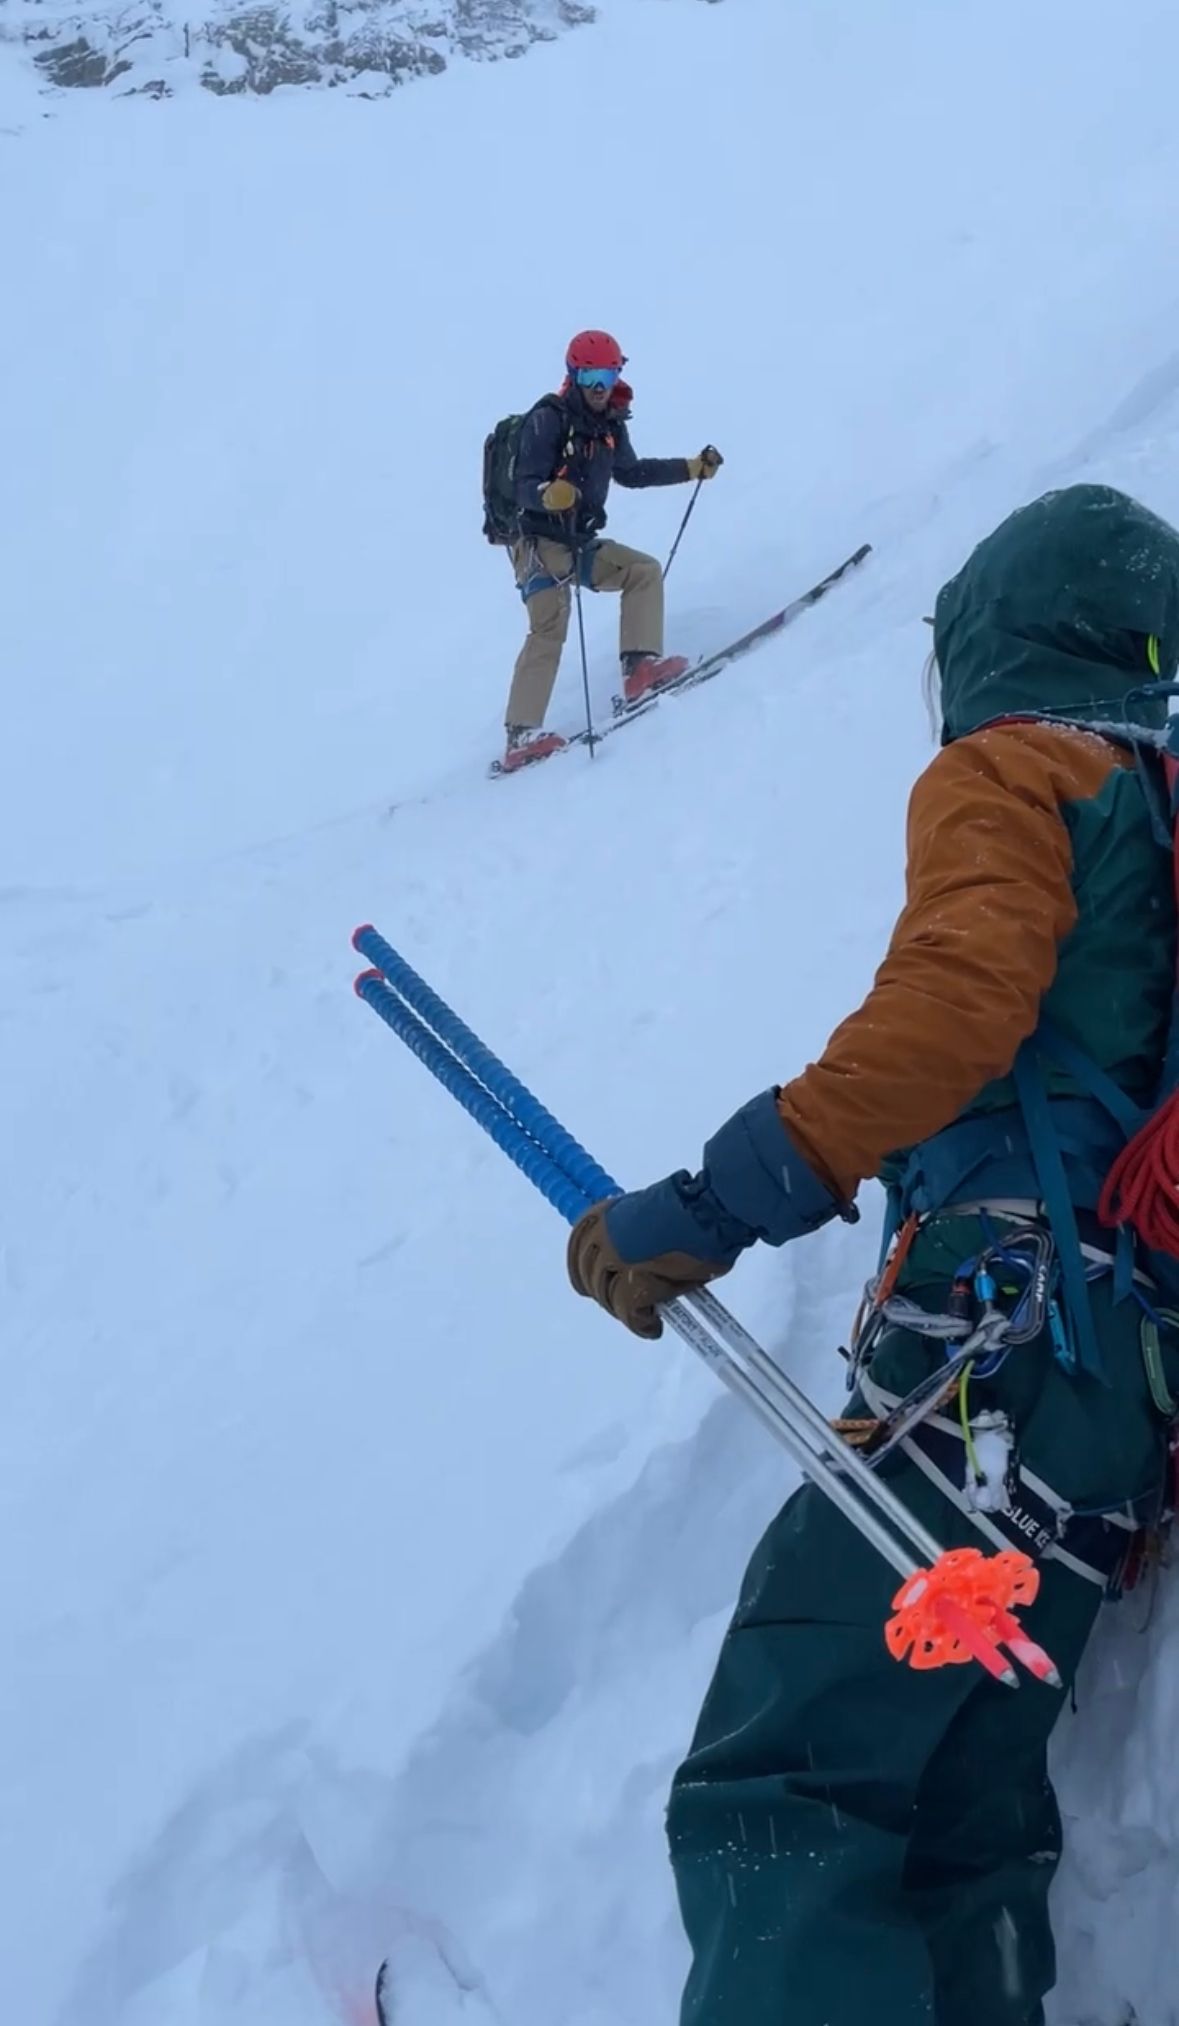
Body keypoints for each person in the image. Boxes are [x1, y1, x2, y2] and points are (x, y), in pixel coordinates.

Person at [566, 483, 1179, 2024]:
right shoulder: (1160, 802)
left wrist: (720, 1199)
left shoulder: (1014, 768)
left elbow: (955, 1004)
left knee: (790, 1776)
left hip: (987, 1363)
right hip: (1109, 1403)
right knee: (960, 1820)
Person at [500, 330, 723, 772]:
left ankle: (640, 671)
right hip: (535, 541)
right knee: (549, 624)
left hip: (576, 539)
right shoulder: (547, 419)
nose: (599, 386)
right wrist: (549, 494)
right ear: (573, 374)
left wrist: (691, 469)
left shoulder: (609, 426)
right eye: (590, 375)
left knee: (641, 571)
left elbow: (633, 473)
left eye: (607, 373)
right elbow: (524, 485)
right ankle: (520, 738)